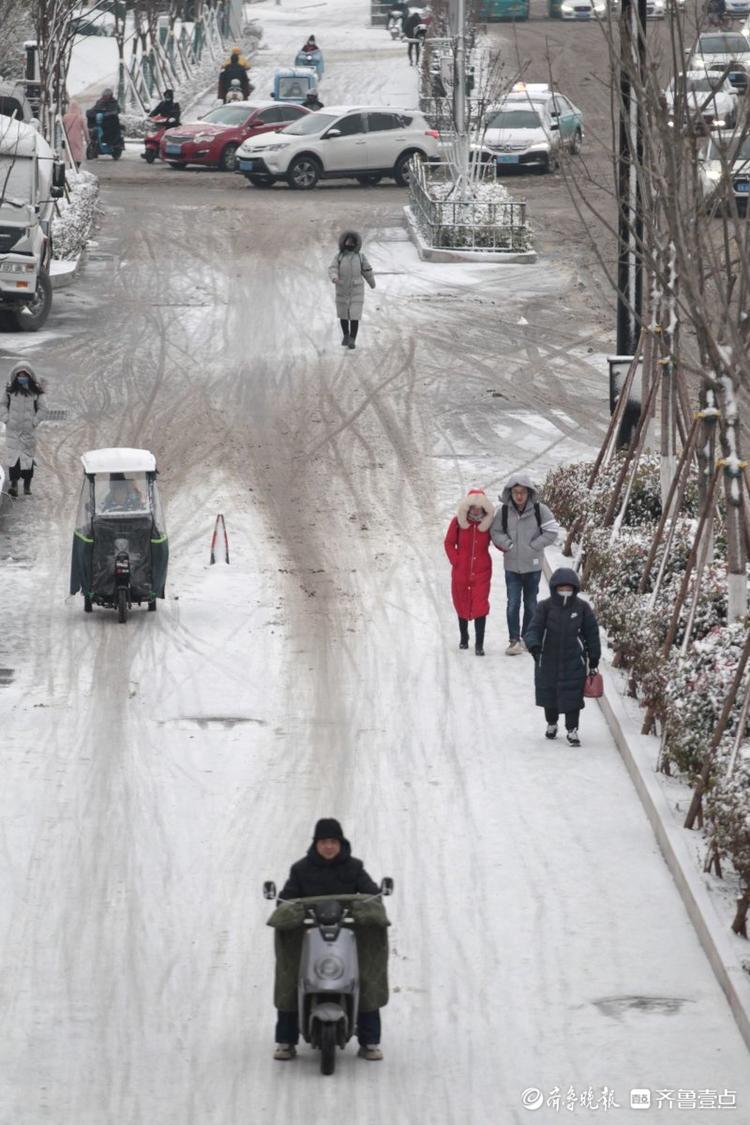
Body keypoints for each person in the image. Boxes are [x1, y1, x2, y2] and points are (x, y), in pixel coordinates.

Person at [274, 818, 384, 1062]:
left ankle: (370, 1041)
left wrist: (372, 901)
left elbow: (370, 892)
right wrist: (287, 908)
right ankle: (285, 1040)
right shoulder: (300, 869)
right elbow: (286, 899)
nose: (329, 847)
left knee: (365, 976)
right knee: (291, 978)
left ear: (340, 843)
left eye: (333, 841)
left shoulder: (354, 867)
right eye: (324, 842)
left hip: (346, 937)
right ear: (316, 844)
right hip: (309, 938)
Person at [523, 568, 601, 747]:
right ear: (554, 588)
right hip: (547, 659)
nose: (565, 591)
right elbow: (534, 628)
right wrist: (534, 645)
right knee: (548, 694)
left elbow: (592, 633)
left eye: (569, 588)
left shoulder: (582, 608)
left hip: (574, 661)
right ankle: (551, 723)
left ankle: (572, 729)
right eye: (561, 588)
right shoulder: (545, 607)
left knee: (573, 698)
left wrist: (593, 657)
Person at [489, 472, 559, 656]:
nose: (519, 496)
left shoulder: (539, 510)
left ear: (529, 492)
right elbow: (495, 532)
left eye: (522, 492)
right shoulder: (503, 511)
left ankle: (528, 635)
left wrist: (534, 546)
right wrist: (509, 544)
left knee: (530, 604)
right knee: (513, 603)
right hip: (512, 567)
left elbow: (552, 531)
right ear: (510, 493)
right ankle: (514, 640)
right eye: (515, 492)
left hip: (533, 566)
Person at [444, 489, 494, 655]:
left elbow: (500, 539)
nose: (476, 510)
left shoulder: (488, 524)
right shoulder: (458, 522)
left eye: (480, 507)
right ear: (468, 507)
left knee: (480, 605)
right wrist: (456, 560)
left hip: (482, 571)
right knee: (462, 602)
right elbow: (449, 543)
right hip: (461, 571)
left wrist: (510, 545)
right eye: (473, 506)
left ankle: (479, 644)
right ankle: (464, 637)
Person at [2, 363, 44, 498]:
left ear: (30, 376)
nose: (22, 377)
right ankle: (14, 484)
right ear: (15, 376)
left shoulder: (35, 392)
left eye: (25, 375)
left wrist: (34, 421)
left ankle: (27, 485)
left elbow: (43, 408)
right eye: (20, 375)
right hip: (12, 430)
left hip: (28, 431)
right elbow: (1, 404)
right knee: (13, 459)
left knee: (27, 458)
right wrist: (5, 418)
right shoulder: (9, 391)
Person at [328, 231, 376, 351]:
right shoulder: (339, 257)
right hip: (342, 288)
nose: (349, 244)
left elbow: (367, 270)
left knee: (355, 315)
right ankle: (346, 335)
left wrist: (372, 282)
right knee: (343, 314)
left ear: (356, 243)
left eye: (352, 242)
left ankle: (352, 339)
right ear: (343, 242)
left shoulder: (360, 257)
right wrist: (334, 277)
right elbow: (333, 268)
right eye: (347, 241)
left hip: (356, 290)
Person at [62, 100, 89, 169]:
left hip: (68, 139)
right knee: (78, 155)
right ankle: (76, 168)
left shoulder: (65, 117)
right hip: (78, 139)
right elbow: (85, 130)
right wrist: (87, 139)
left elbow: (62, 129)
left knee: (70, 154)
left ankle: (72, 168)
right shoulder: (81, 117)